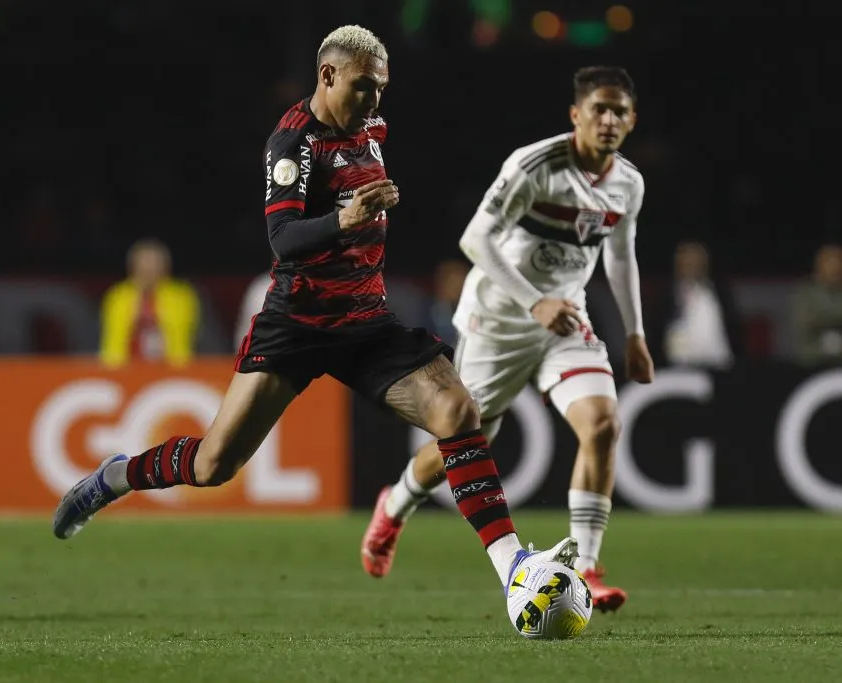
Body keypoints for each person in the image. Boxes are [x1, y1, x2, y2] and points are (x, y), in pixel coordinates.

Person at [54, 25, 577, 595]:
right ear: (326, 75)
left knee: (456, 410)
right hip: (297, 324)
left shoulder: (370, 125)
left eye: (381, 89)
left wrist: (377, 203)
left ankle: (514, 570)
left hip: (365, 321)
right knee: (212, 466)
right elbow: (283, 238)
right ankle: (112, 476)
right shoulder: (292, 142)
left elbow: (361, 190)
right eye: (362, 87)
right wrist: (345, 220)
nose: (373, 101)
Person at [361, 66, 654, 613]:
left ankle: (586, 567)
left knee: (604, 424)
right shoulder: (535, 165)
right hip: (497, 323)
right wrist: (533, 300)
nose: (609, 120)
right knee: (468, 440)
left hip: (565, 321)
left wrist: (635, 333)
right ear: (576, 115)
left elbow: (619, 254)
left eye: (620, 111)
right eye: (599, 109)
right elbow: (476, 239)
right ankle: (396, 504)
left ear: (632, 120)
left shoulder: (628, 183)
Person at [99, 238, 200, 367]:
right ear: (132, 267)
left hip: (173, 369)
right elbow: (113, 339)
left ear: (165, 267)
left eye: (154, 263)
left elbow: (182, 333)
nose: (149, 269)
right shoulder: (118, 295)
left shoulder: (181, 296)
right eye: (144, 263)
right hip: (125, 368)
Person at [650, 240, 741, 370]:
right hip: (678, 369)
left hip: (720, 368)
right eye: (686, 263)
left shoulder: (719, 294)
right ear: (678, 265)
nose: (691, 267)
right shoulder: (667, 298)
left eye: (695, 262)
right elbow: (656, 333)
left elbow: (734, 328)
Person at [793, 244, 842, 366]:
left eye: (839, 263)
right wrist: (841, 320)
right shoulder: (805, 292)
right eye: (830, 263)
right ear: (819, 265)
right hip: (812, 359)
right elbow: (804, 321)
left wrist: (823, 318)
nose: (835, 268)